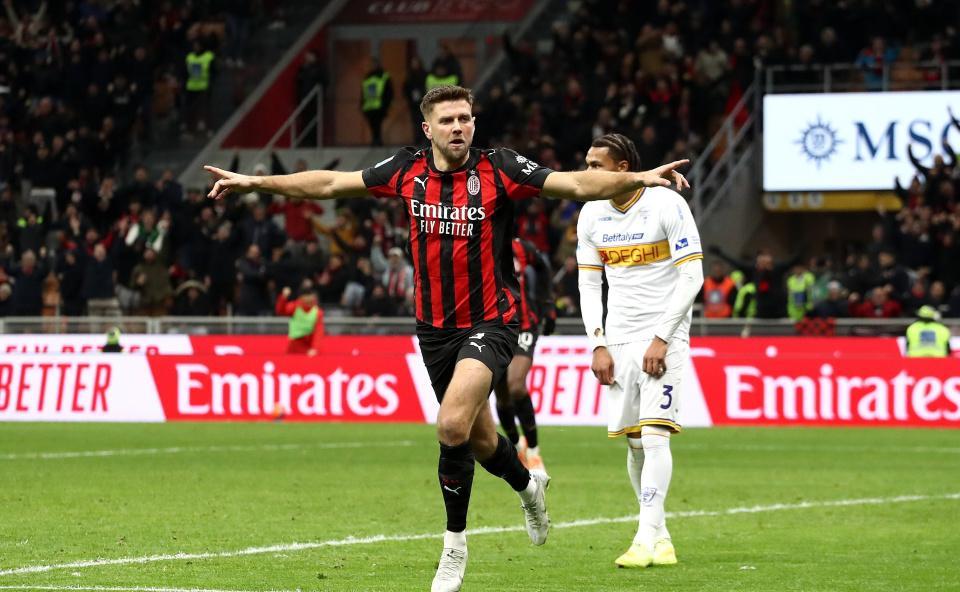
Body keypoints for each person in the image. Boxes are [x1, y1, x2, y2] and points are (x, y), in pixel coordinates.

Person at [204, 84, 688, 592]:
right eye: (448, 120)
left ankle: (454, 548)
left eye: (465, 118)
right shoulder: (405, 169)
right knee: (479, 440)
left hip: (492, 322)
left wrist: (640, 178)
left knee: (451, 424)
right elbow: (328, 183)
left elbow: (575, 184)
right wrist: (254, 182)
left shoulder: (501, 167)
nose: (459, 127)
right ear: (428, 128)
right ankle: (528, 486)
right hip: (434, 329)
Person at [576, 133, 703, 569]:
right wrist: (598, 343)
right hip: (619, 338)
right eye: (586, 164)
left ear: (623, 168)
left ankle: (644, 537)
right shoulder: (591, 213)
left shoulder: (667, 204)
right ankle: (661, 538)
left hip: (664, 336)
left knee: (654, 435)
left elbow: (692, 277)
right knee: (634, 444)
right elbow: (589, 283)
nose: (588, 172)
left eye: (596, 165)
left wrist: (663, 337)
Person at [493, 238, 556, 475]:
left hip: (523, 325)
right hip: (493, 328)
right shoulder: (477, 243)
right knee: (502, 395)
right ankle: (517, 447)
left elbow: (542, 267)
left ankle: (534, 450)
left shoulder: (520, 246)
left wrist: (547, 304)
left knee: (516, 385)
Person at [275, 286, 324, 355]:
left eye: (310, 296)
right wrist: (283, 297)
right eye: (306, 296)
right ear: (301, 298)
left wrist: (315, 348)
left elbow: (318, 331)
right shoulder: (295, 307)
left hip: (309, 345)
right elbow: (280, 311)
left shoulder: (318, 312)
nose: (309, 299)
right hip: (295, 345)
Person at [360, 59, 393, 146]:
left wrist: (386, 103)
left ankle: (378, 140)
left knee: (377, 124)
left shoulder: (383, 76)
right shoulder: (367, 77)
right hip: (369, 105)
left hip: (379, 105)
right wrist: (362, 104)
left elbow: (389, 91)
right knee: (372, 125)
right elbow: (363, 92)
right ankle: (375, 140)